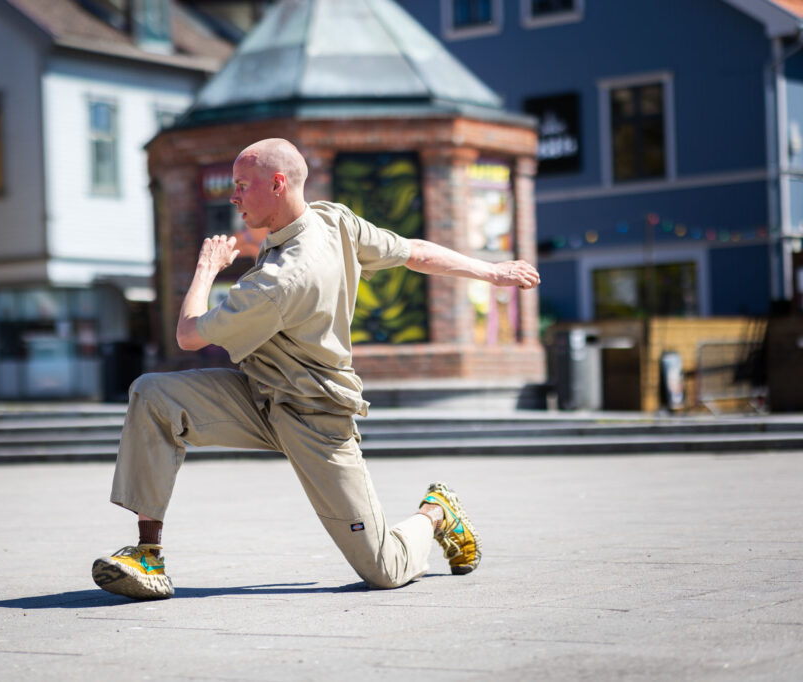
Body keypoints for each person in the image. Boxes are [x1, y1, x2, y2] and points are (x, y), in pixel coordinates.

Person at [92, 138, 541, 600]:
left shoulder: (280, 281)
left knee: (384, 569)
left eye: (243, 186)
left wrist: (207, 269)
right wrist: (490, 271)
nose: (234, 197)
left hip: (316, 415)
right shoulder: (333, 219)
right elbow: (413, 252)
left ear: (278, 184)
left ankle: (436, 513)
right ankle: (147, 554)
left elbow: (188, 335)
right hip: (257, 396)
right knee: (154, 395)